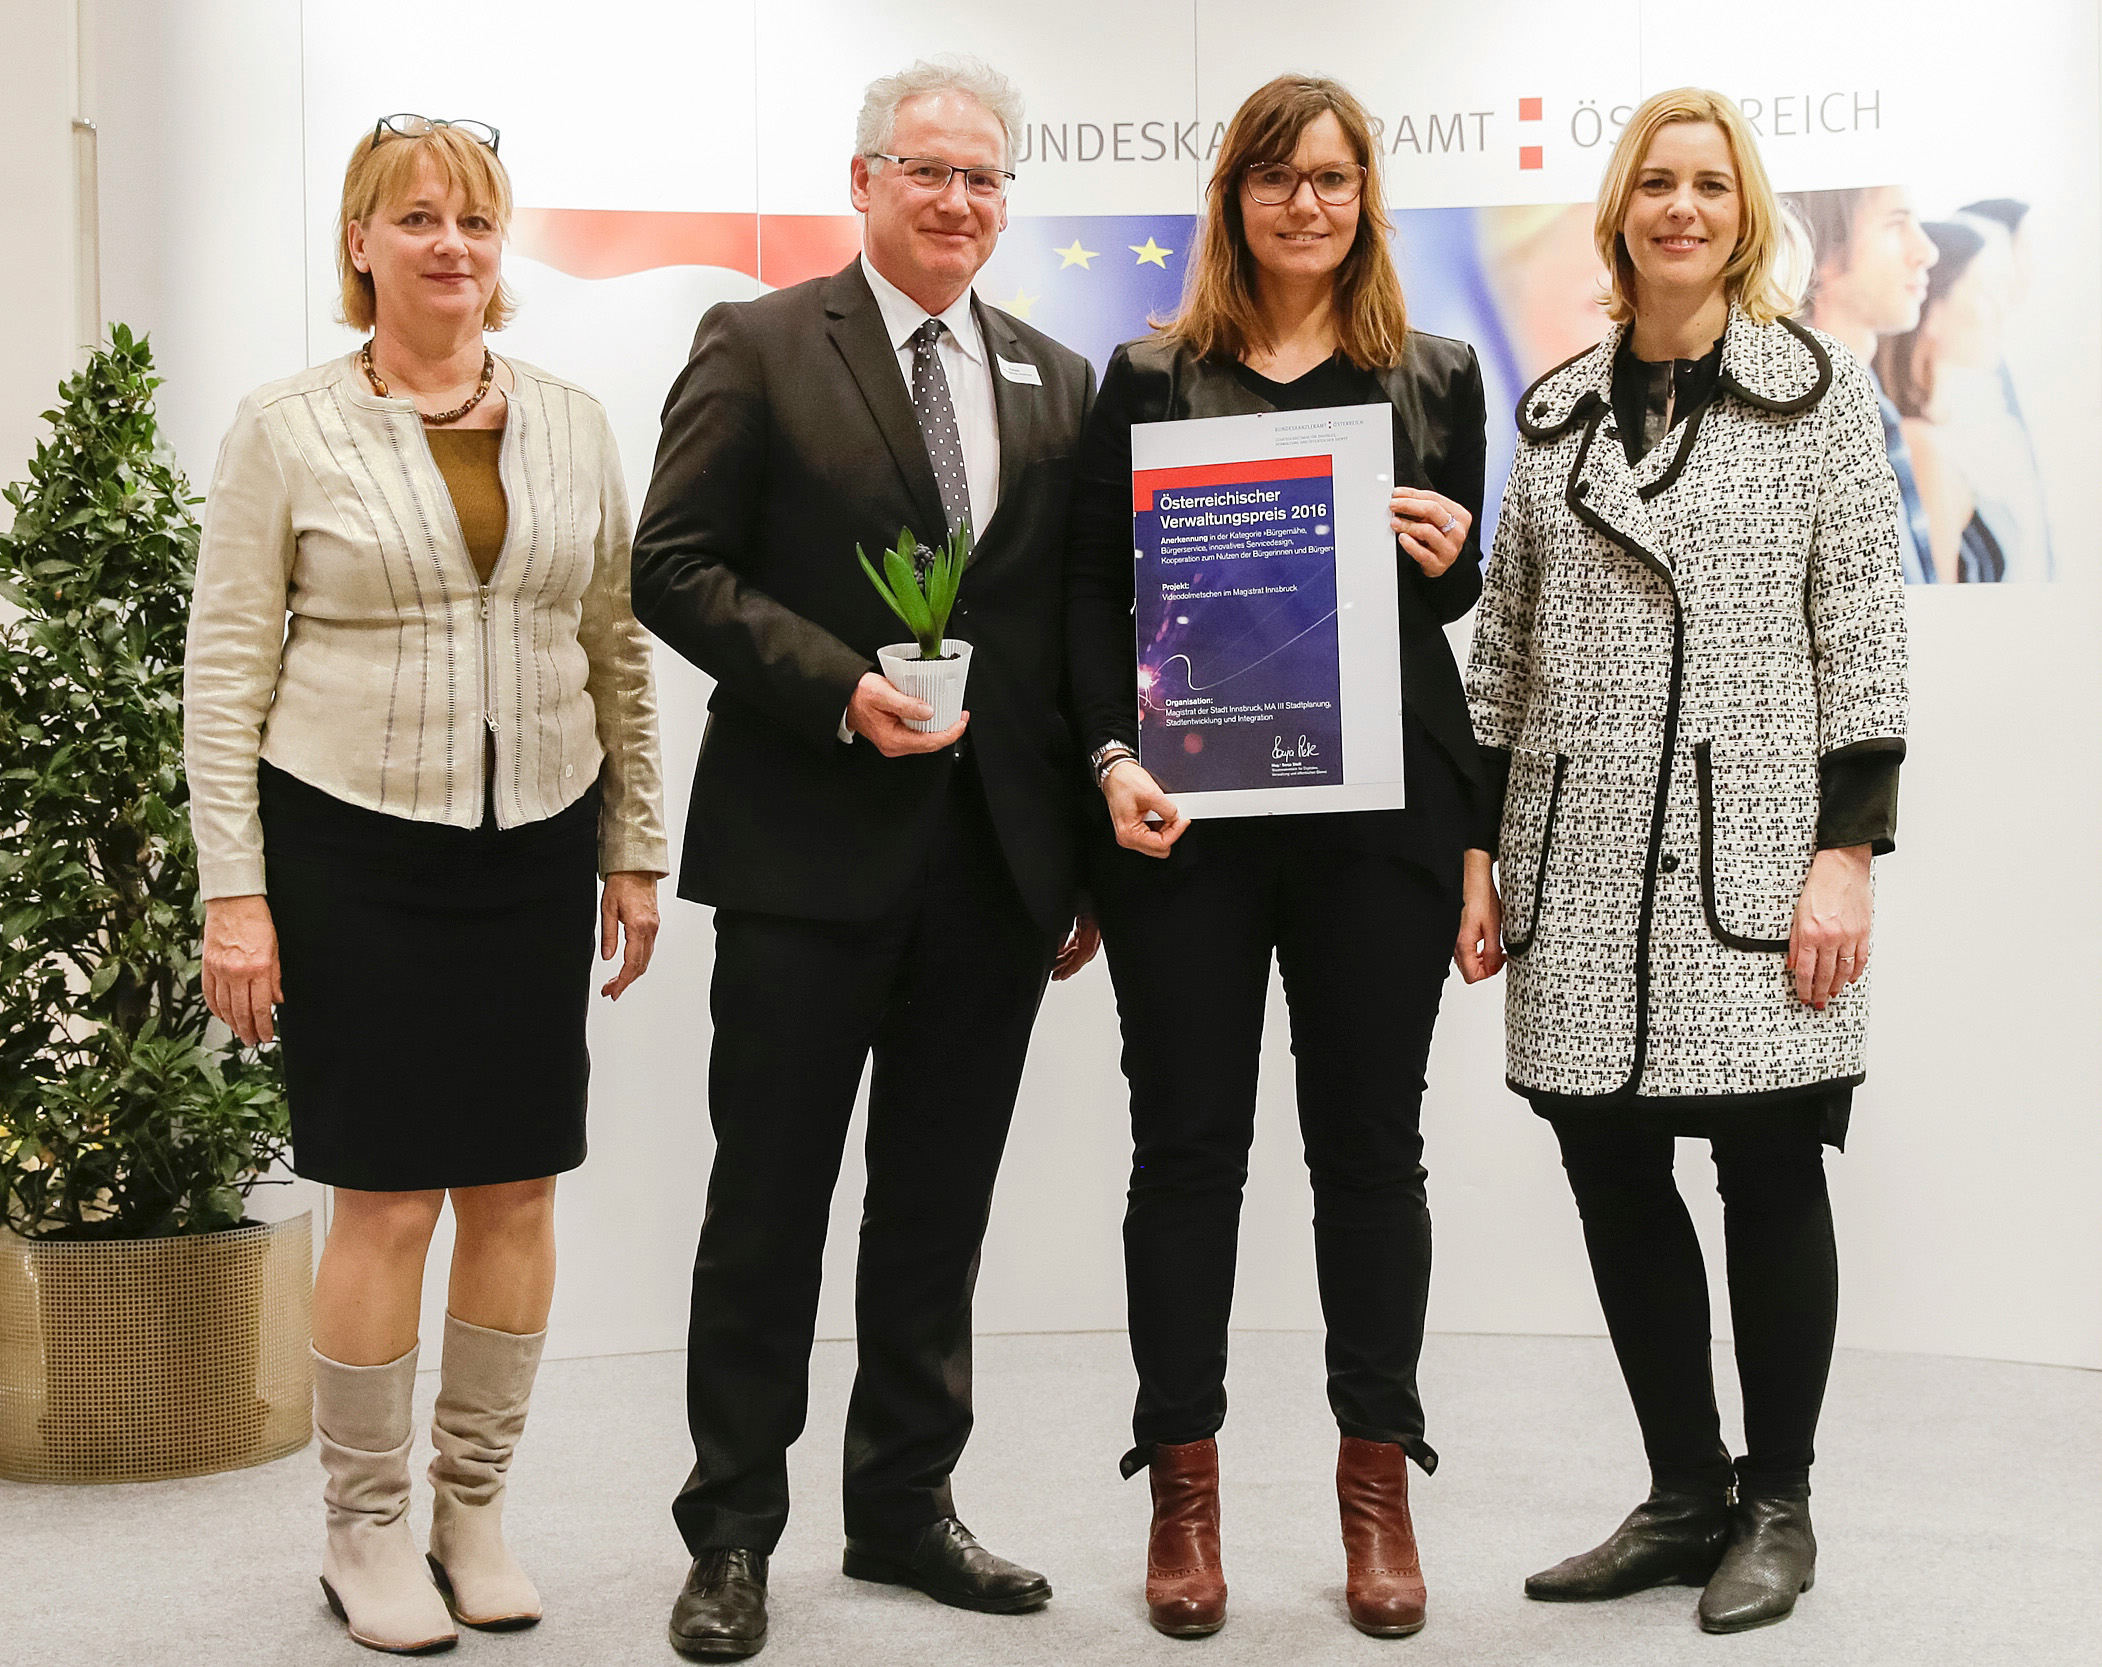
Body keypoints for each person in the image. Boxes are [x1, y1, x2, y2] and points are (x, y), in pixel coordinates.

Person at [630, 57, 1097, 1660]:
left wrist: (1078, 850)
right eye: (927, 172)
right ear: (863, 182)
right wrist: (839, 687)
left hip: (990, 874)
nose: (958, 200)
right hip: (800, 857)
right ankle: (731, 1534)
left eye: (983, 177)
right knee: (766, 1205)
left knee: (934, 1210)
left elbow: (1064, 637)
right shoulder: (759, 345)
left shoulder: (1054, 376)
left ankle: (902, 1503)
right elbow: (669, 567)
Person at [184, 116, 667, 1653]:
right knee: (384, 1195)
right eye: (415, 217)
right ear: (360, 243)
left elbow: (618, 650)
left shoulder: (578, 424)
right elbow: (222, 676)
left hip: (534, 836)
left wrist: (635, 842)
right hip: (350, 843)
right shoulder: (286, 426)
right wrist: (233, 892)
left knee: (515, 1180)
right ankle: (364, 1526)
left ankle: (473, 1506)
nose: (449, 243)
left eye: (473, 218)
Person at [1460, 89, 1908, 1634]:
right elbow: (1501, 653)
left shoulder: (1822, 394)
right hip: (1574, 860)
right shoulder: (1554, 410)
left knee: (1770, 1168)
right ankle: (1675, 1489)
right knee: (1606, 1165)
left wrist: (1843, 852)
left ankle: (1774, 1500)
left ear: (1745, 209)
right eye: (1654, 181)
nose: (1679, 207)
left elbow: (1861, 632)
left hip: (1753, 852)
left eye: (1708, 184)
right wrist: (1475, 844)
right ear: (1617, 209)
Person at [1066, 74, 1489, 1641]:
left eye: (1332, 179)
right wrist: (1108, 761)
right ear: (1232, 198)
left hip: (1379, 826)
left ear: (1365, 194)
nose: (1306, 205)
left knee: (1371, 1158)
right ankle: (1183, 1489)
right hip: (1187, 828)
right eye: (1276, 179)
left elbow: (1449, 628)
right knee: (1186, 1156)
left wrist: (1454, 561)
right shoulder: (1148, 373)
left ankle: (1374, 1485)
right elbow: (1086, 604)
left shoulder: (1433, 374)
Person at [1878, 219, 2051, 581]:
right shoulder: (1920, 449)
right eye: (1984, 293)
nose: (2000, 312)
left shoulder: (1944, 435)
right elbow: (1936, 600)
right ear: (1934, 311)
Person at [1787, 185, 1939, 582]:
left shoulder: (1870, 401)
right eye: (1895, 224)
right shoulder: (1795, 421)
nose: (1926, 251)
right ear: (1823, 250)